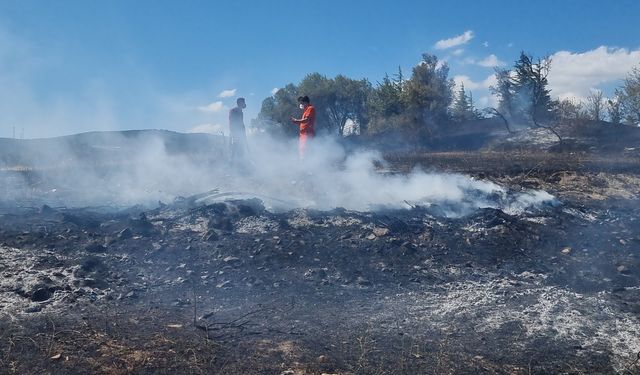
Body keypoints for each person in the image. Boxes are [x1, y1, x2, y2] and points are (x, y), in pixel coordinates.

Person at [290, 96, 316, 161]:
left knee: (305, 150)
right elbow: (304, 122)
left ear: (305, 102)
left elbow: (306, 120)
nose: (300, 105)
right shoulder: (306, 111)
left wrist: (296, 121)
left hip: (307, 134)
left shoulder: (310, 108)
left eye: (301, 103)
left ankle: (306, 166)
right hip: (303, 134)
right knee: (302, 150)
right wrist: (297, 122)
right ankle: (304, 165)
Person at [228, 97, 248, 163]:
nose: (244, 104)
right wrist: (234, 134)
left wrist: (244, 135)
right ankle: (231, 165)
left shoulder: (241, 112)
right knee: (235, 149)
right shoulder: (233, 111)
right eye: (243, 102)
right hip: (235, 133)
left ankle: (239, 165)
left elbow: (241, 124)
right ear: (240, 103)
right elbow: (232, 123)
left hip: (239, 133)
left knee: (240, 150)